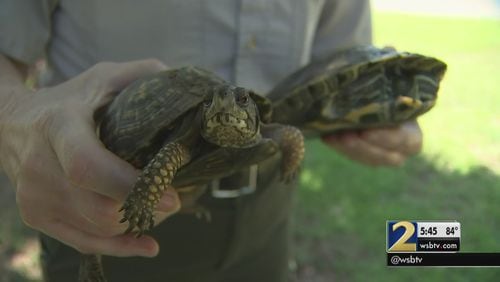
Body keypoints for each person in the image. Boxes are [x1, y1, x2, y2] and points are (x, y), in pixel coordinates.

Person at [0, 1, 422, 281]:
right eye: (222, 104)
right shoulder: (184, 142)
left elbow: (336, 69)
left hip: (267, 219)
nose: (227, 106)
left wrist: (387, 112)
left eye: (236, 103)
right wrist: (14, 115)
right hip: (103, 207)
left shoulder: (266, 131)